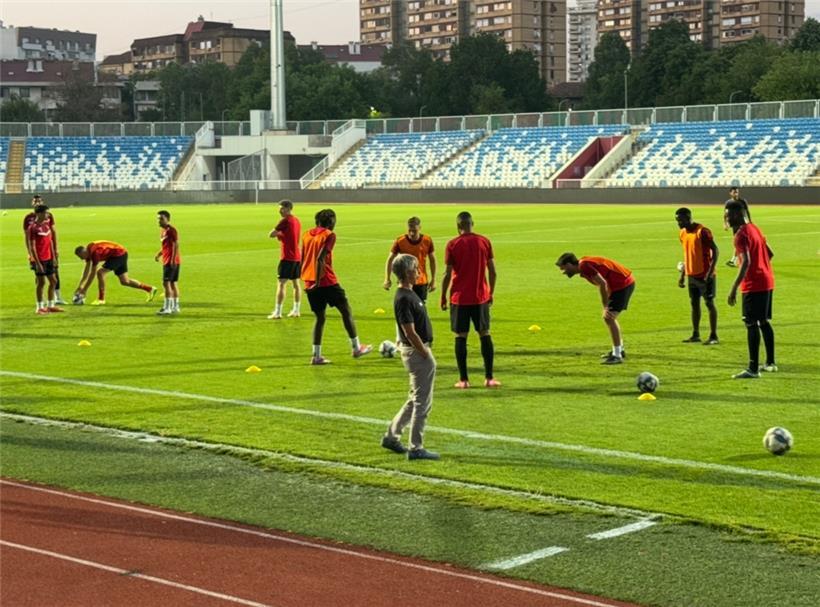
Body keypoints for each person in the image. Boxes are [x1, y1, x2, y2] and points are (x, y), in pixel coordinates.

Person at [381, 254, 439, 461]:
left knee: (414, 400)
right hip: (417, 353)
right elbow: (409, 331)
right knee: (422, 403)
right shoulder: (404, 297)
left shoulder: (408, 294)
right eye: (415, 269)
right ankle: (416, 448)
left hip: (415, 351)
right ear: (407, 273)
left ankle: (391, 436)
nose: (418, 272)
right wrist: (424, 353)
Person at [300, 208, 372, 365]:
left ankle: (316, 356)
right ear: (330, 222)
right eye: (333, 221)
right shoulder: (329, 235)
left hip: (309, 281)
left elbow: (303, 257)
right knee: (346, 311)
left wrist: (307, 281)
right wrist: (318, 282)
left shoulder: (306, 234)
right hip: (326, 281)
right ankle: (356, 348)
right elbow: (320, 258)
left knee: (320, 318)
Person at [440, 211, 499, 389]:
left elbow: (447, 273)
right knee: (484, 333)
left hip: (459, 299)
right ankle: (489, 378)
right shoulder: (484, 241)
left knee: (460, 336)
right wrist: (491, 292)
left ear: (458, 227)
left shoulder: (452, 244)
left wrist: (443, 296)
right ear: (473, 223)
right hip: (480, 296)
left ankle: (464, 380)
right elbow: (493, 271)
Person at [726, 201, 776, 379]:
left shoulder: (740, 235)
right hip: (767, 280)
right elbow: (770, 253)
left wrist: (733, 288)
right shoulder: (755, 228)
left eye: (729, 215)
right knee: (763, 321)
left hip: (753, 284)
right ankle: (770, 363)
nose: (726, 219)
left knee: (750, 323)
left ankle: (753, 369)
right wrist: (761, 266)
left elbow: (745, 261)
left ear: (739, 215)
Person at [555, 253, 635, 364]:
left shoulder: (584, 266)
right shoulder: (584, 265)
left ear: (569, 264)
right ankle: (619, 350)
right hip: (622, 283)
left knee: (609, 318)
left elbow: (602, 283)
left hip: (622, 284)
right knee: (609, 318)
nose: (563, 272)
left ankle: (617, 355)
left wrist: (606, 306)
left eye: (563, 268)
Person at [675, 208, 719, 345]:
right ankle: (696, 334)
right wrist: (683, 275)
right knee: (694, 304)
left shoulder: (702, 232)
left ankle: (713, 336)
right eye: (677, 220)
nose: (678, 223)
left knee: (709, 303)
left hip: (705, 275)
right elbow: (687, 255)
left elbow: (715, 250)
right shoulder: (682, 233)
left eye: (680, 220)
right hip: (692, 275)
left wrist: (710, 272)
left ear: (688, 218)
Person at [74, 241, 157, 305]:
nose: (81, 259)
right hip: (120, 253)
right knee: (125, 281)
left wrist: (84, 290)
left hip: (118, 255)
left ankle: (101, 299)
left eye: (81, 257)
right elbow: (86, 271)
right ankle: (150, 289)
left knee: (100, 273)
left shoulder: (95, 253)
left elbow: (92, 273)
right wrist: (80, 286)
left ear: (84, 252)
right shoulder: (88, 252)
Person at [383, 216, 436, 303]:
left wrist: (433, 279)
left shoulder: (427, 240)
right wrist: (387, 278)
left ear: (420, 228)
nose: (411, 233)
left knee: (420, 309)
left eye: (414, 230)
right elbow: (390, 259)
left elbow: (432, 260)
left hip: (421, 281)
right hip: (405, 282)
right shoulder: (400, 241)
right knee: (405, 307)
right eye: (409, 230)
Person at [23, 194, 65, 304]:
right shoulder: (29, 219)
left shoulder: (48, 217)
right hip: (38, 253)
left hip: (49, 252)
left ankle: (57, 298)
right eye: (35, 201)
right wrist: (29, 253)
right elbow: (27, 237)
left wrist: (55, 249)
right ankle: (41, 301)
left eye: (39, 201)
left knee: (54, 274)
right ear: (32, 203)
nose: (37, 203)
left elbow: (52, 234)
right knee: (40, 279)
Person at [268, 199, 302, 319]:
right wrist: (282, 235)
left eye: (281, 208)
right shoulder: (296, 220)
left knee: (281, 284)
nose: (280, 211)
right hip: (297, 257)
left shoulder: (285, 220)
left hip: (287, 257)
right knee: (296, 284)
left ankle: (278, 312)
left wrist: (279, 235)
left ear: (287, 209)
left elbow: (271, 234)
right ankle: (296, 310)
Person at [154, 210, 181, 315]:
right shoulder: (163, 231)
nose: (159, 221)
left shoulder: (171, 230)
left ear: (168, 219)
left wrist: (173, 259)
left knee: (166, 283)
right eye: (158, 219)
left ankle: (167, 308)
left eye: (161, 219)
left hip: (171, 261)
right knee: (173, 283)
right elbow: (166, 247)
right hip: (168, 259)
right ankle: (175, 307)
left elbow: (176, 245)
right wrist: (159, 254)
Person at [724, 187, 750, 267]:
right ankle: (739, 259)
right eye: (734, 192)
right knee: (738, 242)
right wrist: (725, 223)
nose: (736, 194)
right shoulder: (728, 203)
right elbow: (725, 214)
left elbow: (746, 212)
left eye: (737, 192)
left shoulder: (742, 202)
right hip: (734, 225)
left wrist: (750, 221)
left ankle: (734, 260)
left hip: (741, 224)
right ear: (730, 193)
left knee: (737, 242)